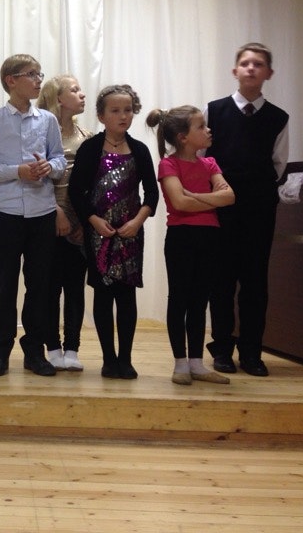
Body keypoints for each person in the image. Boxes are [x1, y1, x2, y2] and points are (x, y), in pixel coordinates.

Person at [0, 55, 66, 377]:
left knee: (39, 285)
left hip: (42, 212)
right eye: (32, 74)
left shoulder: (48, 120)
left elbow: (59, 161)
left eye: (40, 74)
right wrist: (18, 171)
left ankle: (34, 351)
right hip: (7, 213)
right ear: (11, 80)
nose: (39, 80)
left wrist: (47, 167)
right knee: (5, 285)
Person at [204, 42, 289, 377]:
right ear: (235, 70)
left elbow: (279, 164)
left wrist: (257, 190)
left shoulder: (278, 117)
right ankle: (222, 349)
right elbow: (202, 158)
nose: (251, 68)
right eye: (245, 63)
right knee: (221, 279)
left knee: (255, 280)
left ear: (269, 73)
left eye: (259, 64)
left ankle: (252, 352)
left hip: (259, 208)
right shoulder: (214, 111)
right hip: (221, 207)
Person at [68, 84, 158, 379]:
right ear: (101, 115)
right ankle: (108, 358)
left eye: (128, 110)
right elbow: (76, 191)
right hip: (99, 234)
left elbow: (152, 194)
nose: (123, 116)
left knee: (127, 296)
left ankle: (126, 358)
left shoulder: (140, 150)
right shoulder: (90, 148)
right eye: (115, 110)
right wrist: (93, 220)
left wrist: (138, 221)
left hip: (130, 234)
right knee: (104, 295)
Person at [147, 106, 235, 386]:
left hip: (210, 237)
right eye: (201, 126)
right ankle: (180, 363)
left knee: (200, 300)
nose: (208, 130)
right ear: (183, 137)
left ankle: (197, 363)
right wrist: (209, 198)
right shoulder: (168, 165)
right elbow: (179, 203)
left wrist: (193, 195)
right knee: (180, 299)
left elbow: (230, 197)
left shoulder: (209, 163)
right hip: (182, 238)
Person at [35, 74, 92, 372]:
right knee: (49, 288)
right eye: (74, 90)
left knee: (75, 288)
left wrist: (83, 221)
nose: (82, 94)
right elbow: (39, 178)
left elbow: (90, 183)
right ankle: (53, 347)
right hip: (48, 219)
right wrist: (56, 211)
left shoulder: (87, 136)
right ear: (58, 98)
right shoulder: (42, 133)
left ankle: (72, 347)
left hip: (78, 222)